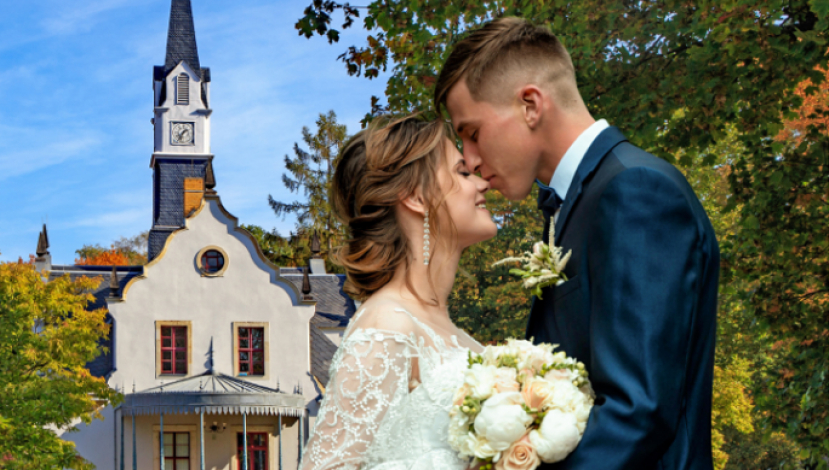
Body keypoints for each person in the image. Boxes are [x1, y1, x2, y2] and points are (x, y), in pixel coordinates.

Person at [434, 17, 720, 470]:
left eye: (471, 132)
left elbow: (638, 412)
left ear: (530, 104)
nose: (469, 159)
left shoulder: (636, 191)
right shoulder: (576, 204)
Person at [300, 114, 495, 470]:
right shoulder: (388, 325)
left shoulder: (454, 333)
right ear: (416, 197)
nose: (482, 184)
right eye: (462, 173)